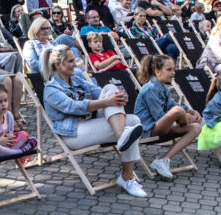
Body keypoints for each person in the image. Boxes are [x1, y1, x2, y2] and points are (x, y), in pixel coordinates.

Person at [41, 45, 146, 197]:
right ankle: (126, 174)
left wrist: (118, 97)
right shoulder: (51, 89)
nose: (75, 64)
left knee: (115, 95)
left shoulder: (76, 79)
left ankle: (126, 169)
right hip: (73, 133)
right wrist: (108, 102)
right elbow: (74, 107)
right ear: (58, 64)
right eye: (71, 61)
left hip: (88, 123)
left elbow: (100, 93)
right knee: (131, 123)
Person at [134, 55, 202, 179]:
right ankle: (186, 121)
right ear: (157, 71)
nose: (173, 73)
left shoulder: (163, 88)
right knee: (178, 111)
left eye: (173, 69)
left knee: (196, 128)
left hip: (160, 127)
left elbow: (171, 105)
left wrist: (191, 112)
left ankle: (163, 160)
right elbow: (159, 116)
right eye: (169, 70)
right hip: (147, 131)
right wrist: (183, 114)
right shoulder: (150, 89)